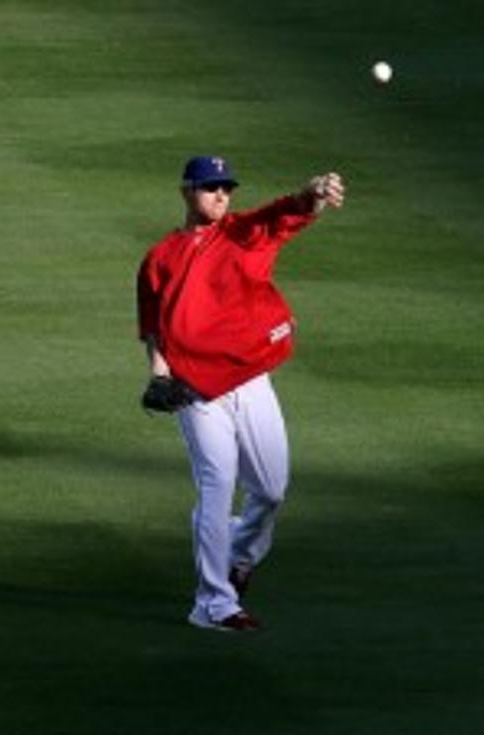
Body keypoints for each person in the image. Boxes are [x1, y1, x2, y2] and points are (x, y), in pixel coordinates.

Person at [136, 155, 345, 632]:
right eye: (211, 188)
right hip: (195, 389)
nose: (221, 196)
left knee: (271, 490)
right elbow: (153, 327)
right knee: (217, 487)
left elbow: (285, 213)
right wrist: (158, 375)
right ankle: (213, 602)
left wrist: (313, 193)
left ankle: (239, 557)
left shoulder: (243, 232)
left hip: (250, 379)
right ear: (187, 191)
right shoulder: (159, 258)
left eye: (226, 188)